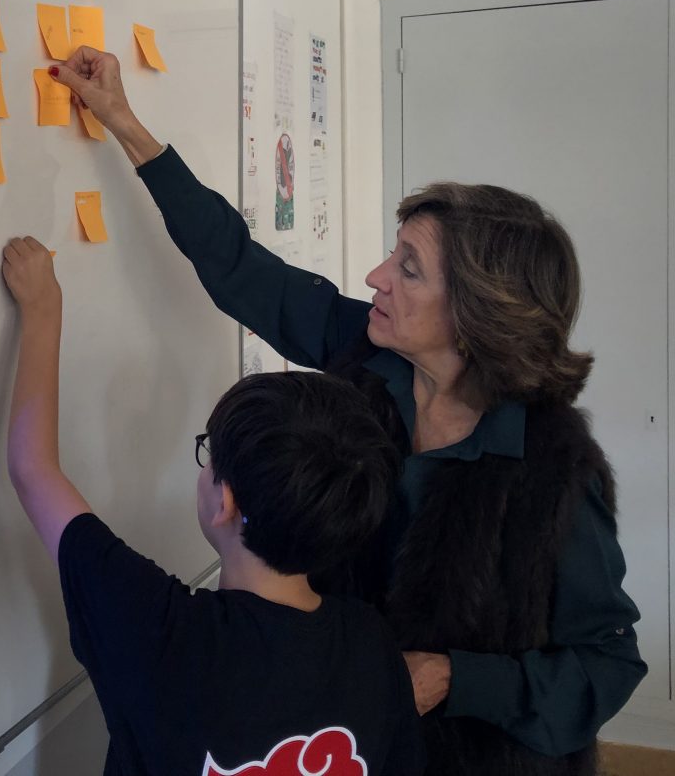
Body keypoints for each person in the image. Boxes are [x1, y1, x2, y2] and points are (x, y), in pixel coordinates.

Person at [47, 49, 648, 776]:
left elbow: (607, 662)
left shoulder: (553, 469)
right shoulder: (368, 354)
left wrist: (455, 676)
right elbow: (238, 265)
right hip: (332, 742)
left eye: (408, 269)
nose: (375, 277)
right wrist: (122, 120)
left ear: (477, 315)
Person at [1, 234, 424, 776]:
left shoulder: (163, 633)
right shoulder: (369, 646)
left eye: (209, 454)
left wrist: (42, 311)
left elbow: (33, 470)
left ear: (225, 500)